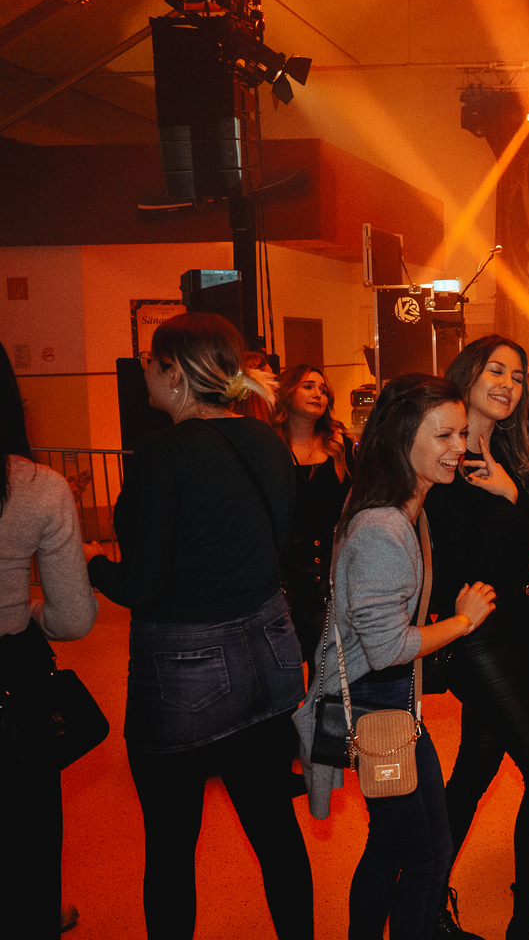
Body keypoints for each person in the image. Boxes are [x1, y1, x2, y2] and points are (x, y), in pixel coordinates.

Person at [85, 313, 313, 940]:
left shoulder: (164, 453)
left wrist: (96, 565)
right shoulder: (267, 441)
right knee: (276, 831)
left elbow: (143, 586)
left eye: (151, 362)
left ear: (177, 374)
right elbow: (277, 546)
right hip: (270, 652)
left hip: (185, 669)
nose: (145, 372)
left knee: (170, 844)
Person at [293, 374, 498, 940]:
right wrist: (463, 621)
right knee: (427, 857)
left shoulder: (405, 506)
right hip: (378, 704)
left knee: (391, 842)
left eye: (461, 433)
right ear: (404, 437)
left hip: (386, 699)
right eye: (444, 435)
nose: (459, 446)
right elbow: (385, 650)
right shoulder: (383, 527)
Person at [423, 335, 529, 939]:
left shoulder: (504, 453)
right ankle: (528, 919)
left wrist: (510, 491)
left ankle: (426, 905)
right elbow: (444, 549)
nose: (508, 383)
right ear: (467, 374)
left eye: (516, 374)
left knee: (475, 772)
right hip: (475, 638)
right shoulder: (441, 451)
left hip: (519, 632)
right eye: (495, 370)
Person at [0, 341, 99, 940]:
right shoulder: (37, 487)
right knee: (26, 830)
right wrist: (29, 611)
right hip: (13, 674)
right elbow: (74, 618)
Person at [274, 363, 358, 662]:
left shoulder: (339, 445)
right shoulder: (270, 445)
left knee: (328, 662)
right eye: (308, 386)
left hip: (331, 567)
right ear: (287, 393)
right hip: (284, 568)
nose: (318, 394)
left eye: (323, 390)